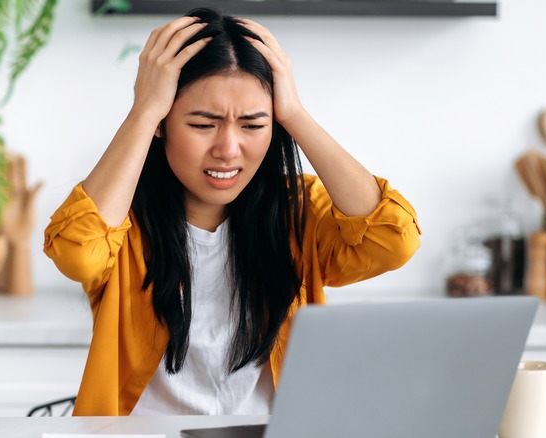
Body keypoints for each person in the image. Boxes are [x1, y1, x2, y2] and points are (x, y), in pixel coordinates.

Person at [44, 7, 421, 416]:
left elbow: (393, 240)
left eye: (253, 125)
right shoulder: (121, 220)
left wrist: (294, 113)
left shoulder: (299, 211)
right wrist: (143, 111)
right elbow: (78, 253)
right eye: (203, 125)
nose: (228, 149)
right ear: (162, 124)